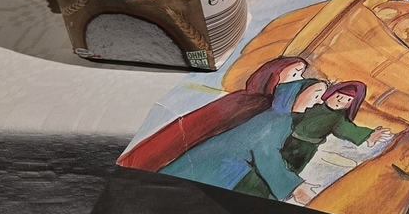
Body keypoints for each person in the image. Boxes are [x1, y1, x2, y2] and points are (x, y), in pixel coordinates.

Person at [156, 70, 326, 204]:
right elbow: (267, 156)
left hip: (218, 168)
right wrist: (295, 188)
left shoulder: (278, 117)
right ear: (296, 93)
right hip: (208, 170)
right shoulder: (275, 121)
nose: (319, 102)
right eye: (316, 95)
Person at [118, 56, 308, 172]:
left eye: (301, 75)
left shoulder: (264, 104)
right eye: (294, 74)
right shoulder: (254, 101)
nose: (299, 80)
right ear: (273, 76)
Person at [280, 81, 392, 174]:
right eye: (339, 96)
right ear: (331, 93)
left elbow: (349, 130)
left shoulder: (338, 118)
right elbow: (297, 114)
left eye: (348, 100)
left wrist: (368, 135)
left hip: (306, 147)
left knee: (291, 169)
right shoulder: (316, 105)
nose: (340, 101)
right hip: (288, 137)